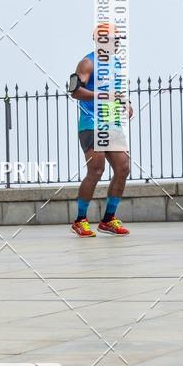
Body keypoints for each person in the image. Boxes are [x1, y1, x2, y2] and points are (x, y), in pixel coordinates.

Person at [68, 22, 133, 237]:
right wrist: (100, 96)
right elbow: (75, 91)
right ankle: (80, 219)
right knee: (96, 170)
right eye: (114, 39)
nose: (117, 43)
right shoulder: (88, 63)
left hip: (111, 123)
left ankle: (108, 219)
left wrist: (125, 102)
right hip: (90, 124)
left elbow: (113, 90)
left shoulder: (114, 63)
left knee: (123, 168)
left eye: (118, 40)